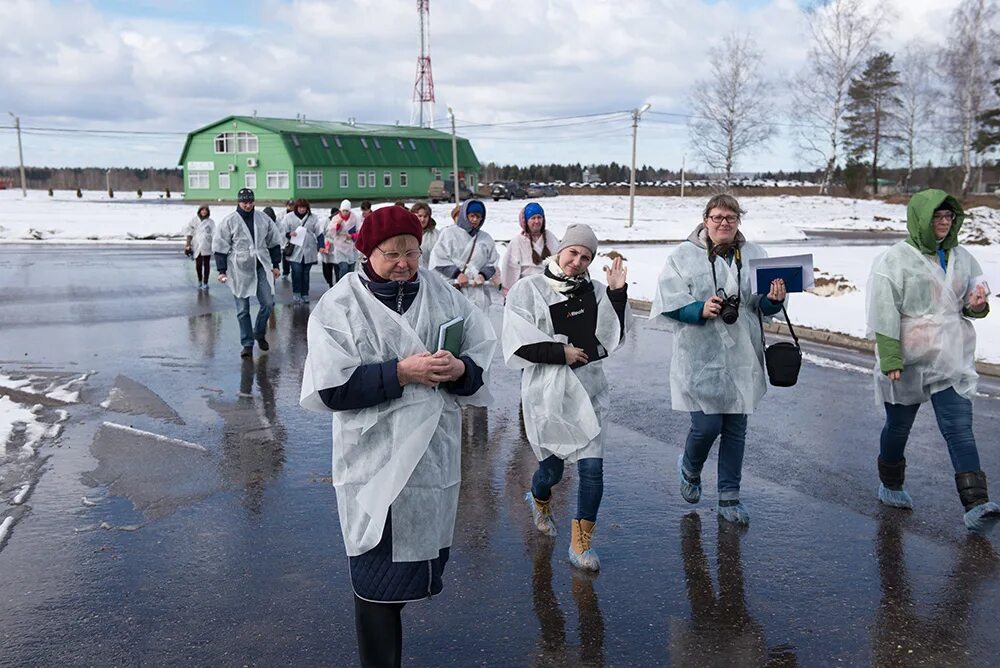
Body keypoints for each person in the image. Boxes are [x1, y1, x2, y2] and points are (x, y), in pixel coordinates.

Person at [300, 205, 496, 668]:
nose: (405, 262)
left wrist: (460, 368)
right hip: (372, 462)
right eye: (392, 254)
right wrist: (401, 372)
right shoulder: (341, 305)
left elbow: (477, 360)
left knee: (413, 569)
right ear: (367, 252)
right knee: (374, 582)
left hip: (431, 460)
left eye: (413, 251)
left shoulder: (444, 295)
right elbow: (331, 388)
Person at [866, 189, 1000, 532]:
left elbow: (974, 304)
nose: (943, 223)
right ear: (921, 219)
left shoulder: (963, 257)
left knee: (958, 427)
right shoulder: (893, 260)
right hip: (908, 357)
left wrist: (977, 303)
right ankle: (890, 483)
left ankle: (977, 504)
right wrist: (891, 356)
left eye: (948, 217)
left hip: (949, 355)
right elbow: (883, 311)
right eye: (936, 217)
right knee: (898, 427)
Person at [650, 194, 786, 526]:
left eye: (730, 217)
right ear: (705, 219)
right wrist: (699, 309)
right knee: (707, 426)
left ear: (739, 220)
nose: (723, 223)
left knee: (736, 429)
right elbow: (668, 303)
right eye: (717, 217)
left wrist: (773, 300)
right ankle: (690, 467)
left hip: (742, 355)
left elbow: (762, 308)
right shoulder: (683, 256)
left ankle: (729, 496)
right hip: (699, 356)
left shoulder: (755, 255)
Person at [503, 224, 629, 571]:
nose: (577, 261)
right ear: (560, 250)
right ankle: (540, 499)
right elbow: (516, 342)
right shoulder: (529, 289)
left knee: (592, 470)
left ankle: (581, 544)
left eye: (586, 256)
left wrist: (618, 294)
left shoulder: (598, 292)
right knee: (552, 469)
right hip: (548, 394)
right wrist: (562, 353)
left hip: (589, 391)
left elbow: (614, 336)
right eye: (573, 252)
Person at [213, 188, 283, 359]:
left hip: (261, 265)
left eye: (251, 202)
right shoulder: (230, 221)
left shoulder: (262, 218)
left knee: (267, 303)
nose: (248, 205)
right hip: (239, 269)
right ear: (239, 202)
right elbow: (220, 246)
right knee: (242, 309)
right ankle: (247, 344)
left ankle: (259, 332)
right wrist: (221, 270)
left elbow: (274, 241)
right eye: (245, 202)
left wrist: (275, 265)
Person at [429, 199, 501, 310]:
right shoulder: (448, 234)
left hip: (477, 291)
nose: (475, 220)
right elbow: (438, 258)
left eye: (478, 217)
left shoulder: (486, 238)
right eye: (472, 216)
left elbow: (492, 262)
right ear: (465, 215)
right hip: (453, 288)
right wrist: (457, 274)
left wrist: (483, 275)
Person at [500, 201, 560, 295]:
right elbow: (509, 270)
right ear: (525, 221)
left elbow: (560, 262)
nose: (537, 221)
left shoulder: (550, 237)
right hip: (526, 291)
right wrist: (509, 293)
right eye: (533, 218)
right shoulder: (517, 241)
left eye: (539, 217)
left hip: (549, 291)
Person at [281, 198, 324, 304]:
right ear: (296, 207)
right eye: (300, 207)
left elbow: (319, 232)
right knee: (296, 272)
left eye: (304, 207)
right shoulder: (288, 217)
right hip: (295, 250)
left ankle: (305, 294)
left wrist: (321, 245)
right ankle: (296, 293)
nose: (302, 210)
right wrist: (288, 234)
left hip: (309, 250)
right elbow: (282, 231)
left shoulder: (313, 218)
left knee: (305, 274)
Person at [320, 199, 360, 287]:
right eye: (343, 211)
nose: (345, 213)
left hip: (351, 248)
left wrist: (353, 236)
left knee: (351, 270)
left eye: (347, 211)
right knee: (343, 267)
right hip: (339, 247)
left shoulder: (355, 218)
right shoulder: (336, 218)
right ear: (340, 210)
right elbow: (330, 233)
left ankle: (350, 287)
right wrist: (337, 226)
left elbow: (359, 231)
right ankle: (341, 286)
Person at [184, 205, 215, 290]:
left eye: (205, 210)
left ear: (208, 212)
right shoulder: (194, 221)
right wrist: (188, 244)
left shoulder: (210, 222)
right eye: (202, 210)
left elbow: (214, 233)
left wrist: (214, 244)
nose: (204, 212)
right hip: (197, 244)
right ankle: (199, 280)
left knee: (206, 264)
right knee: (198, 264)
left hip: (206, 245)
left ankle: (206, 282)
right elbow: (189, 232)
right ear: (199, 211)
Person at [409, 201, 439, 269]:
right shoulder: (406, 234)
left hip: (431, 274)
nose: (422, 219)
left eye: (425, 216)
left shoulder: (436, 235)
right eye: (419, 216)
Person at [281, 199, 295, 278]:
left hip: (295, 238)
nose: (291, 207)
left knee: (294, 256)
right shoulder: (281, 215)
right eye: (290, 205)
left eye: (292, 205)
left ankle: (294, 271)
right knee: (285, 255)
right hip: (285, 239)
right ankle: (285, 272)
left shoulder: (296, 214)